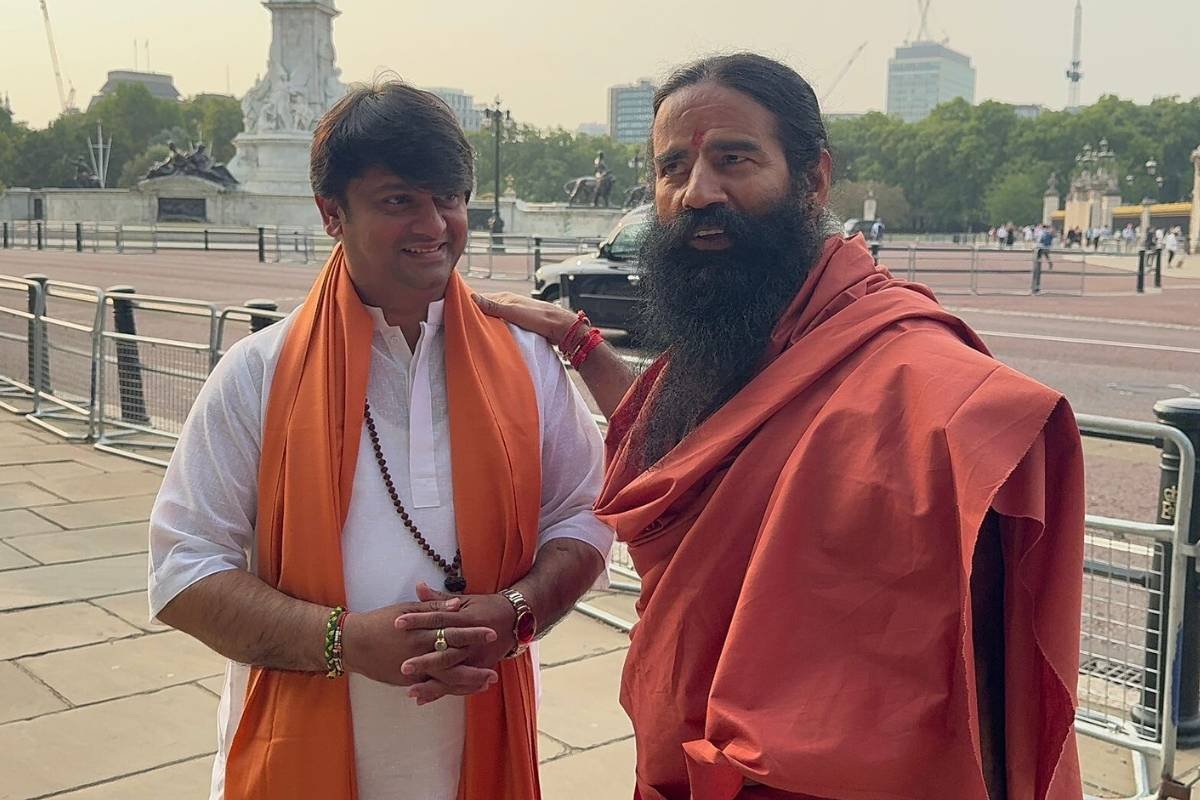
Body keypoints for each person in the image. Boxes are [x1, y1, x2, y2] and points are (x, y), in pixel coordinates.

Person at [473, 53, 1084, 800]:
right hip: (678, 746)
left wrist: (978, 430)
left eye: (734, 159)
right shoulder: (728, 334)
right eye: (673, 168)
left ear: (814, 178)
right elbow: (701, 446)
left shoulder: (904, 367)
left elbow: (946, 416)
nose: (698, 192)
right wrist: (583, 344)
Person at [148, 81, 612, 800]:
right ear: (332, 213)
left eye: (449, 198)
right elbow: (183, 569)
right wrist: (342, 642)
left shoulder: (525, 363)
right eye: (399, 201)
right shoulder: (258, 374)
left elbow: (584, 515)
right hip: (306, 759)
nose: (434, 224)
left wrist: (518, 612)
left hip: (478, 753)